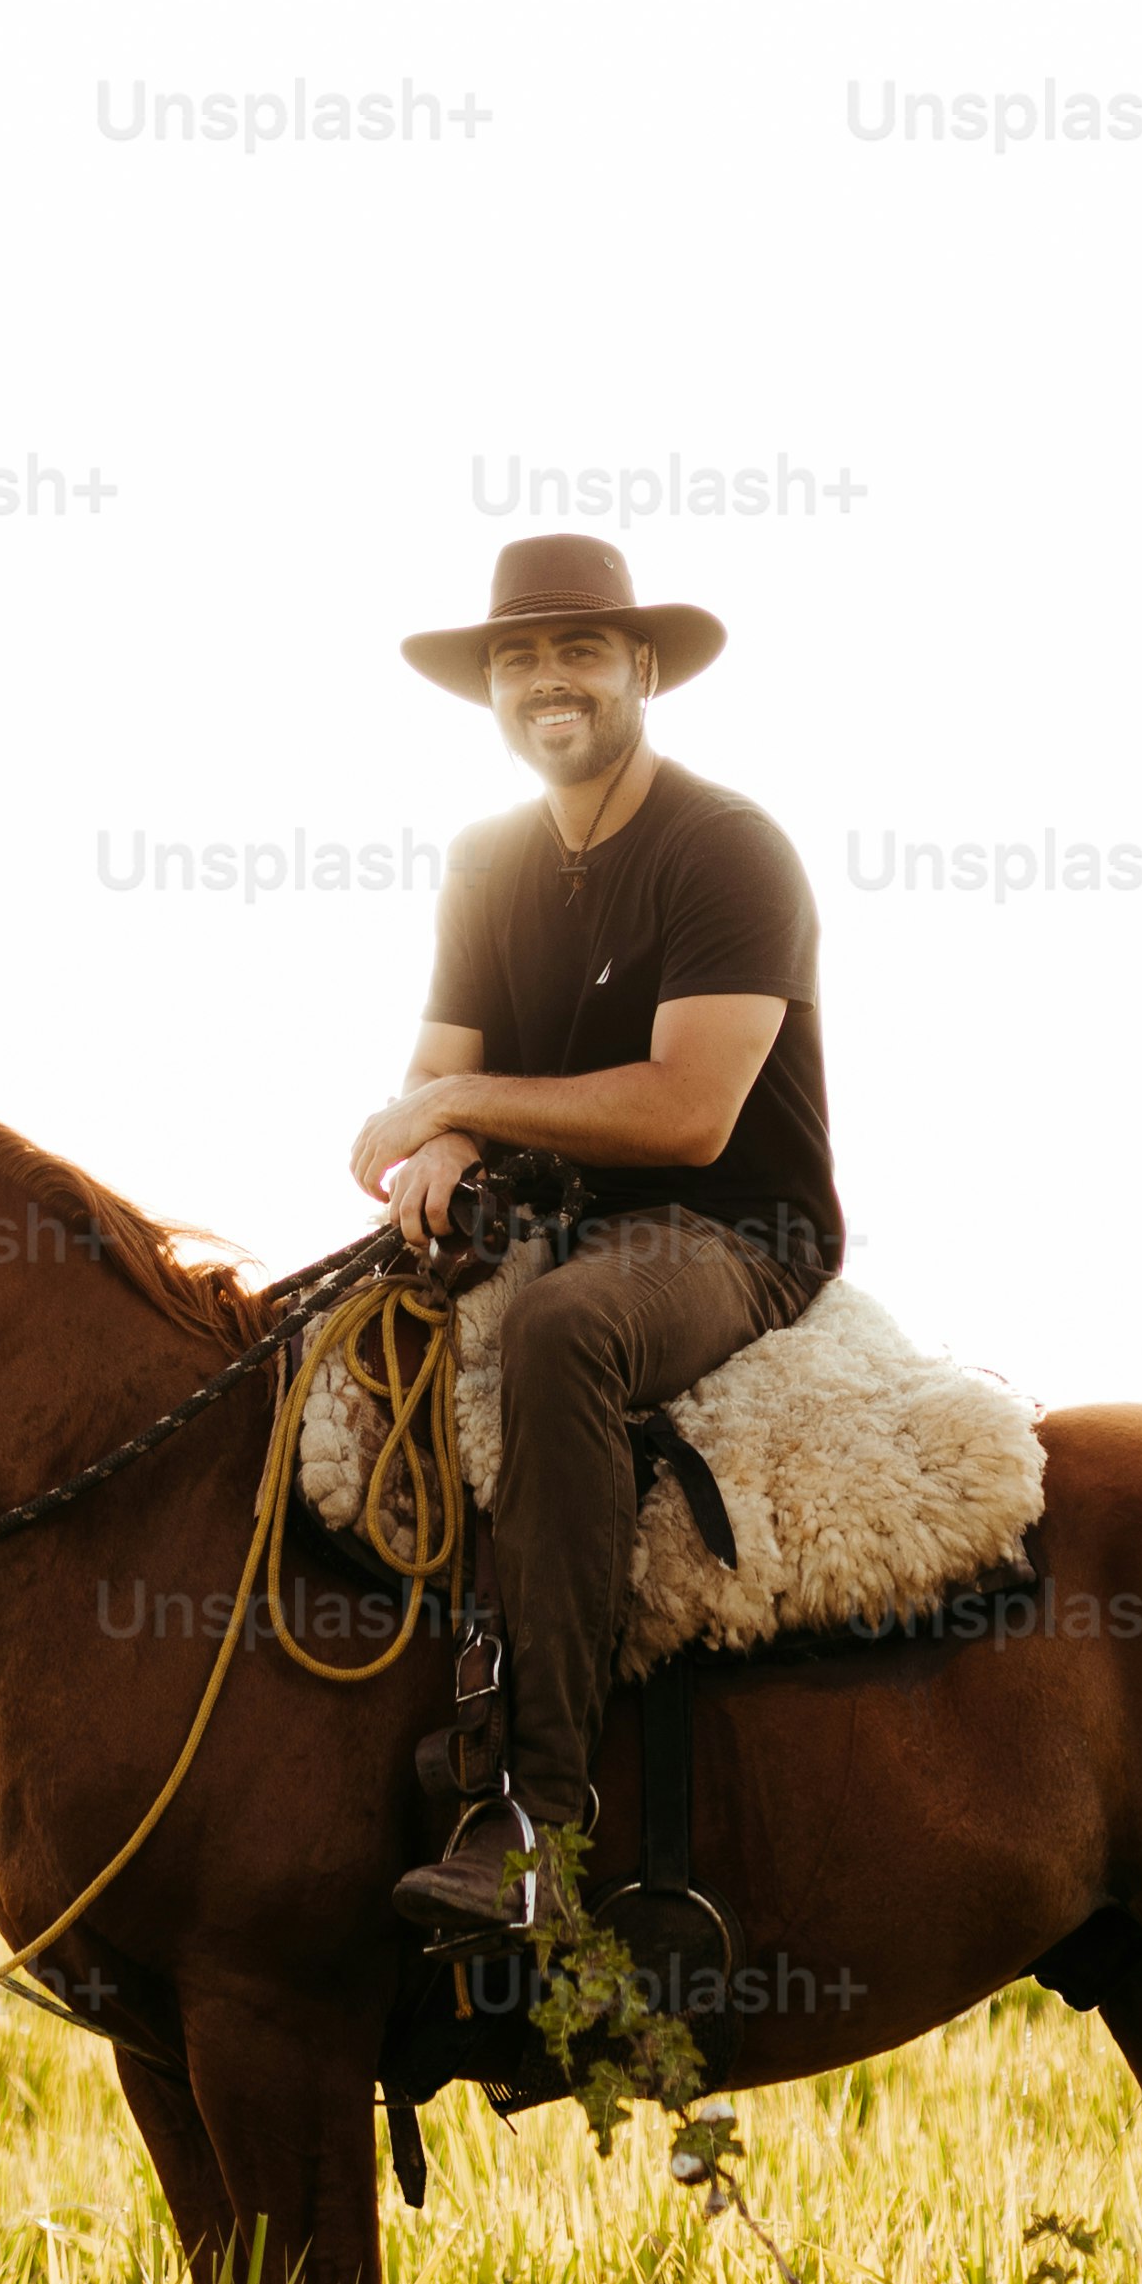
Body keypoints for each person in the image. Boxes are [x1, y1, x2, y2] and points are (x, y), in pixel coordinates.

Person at [350, 535, 843, 1937]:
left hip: (728, 1227)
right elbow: (441, 1078)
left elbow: (689, 1112)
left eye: (576, 651)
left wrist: (450, 1103)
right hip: (549, 1219)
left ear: (639, 669)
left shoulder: (726, 849)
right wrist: (442, 1138)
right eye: (515, 657)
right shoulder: (485, 863)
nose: (543, 680)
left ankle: (534, 1813)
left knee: (566, 1333)